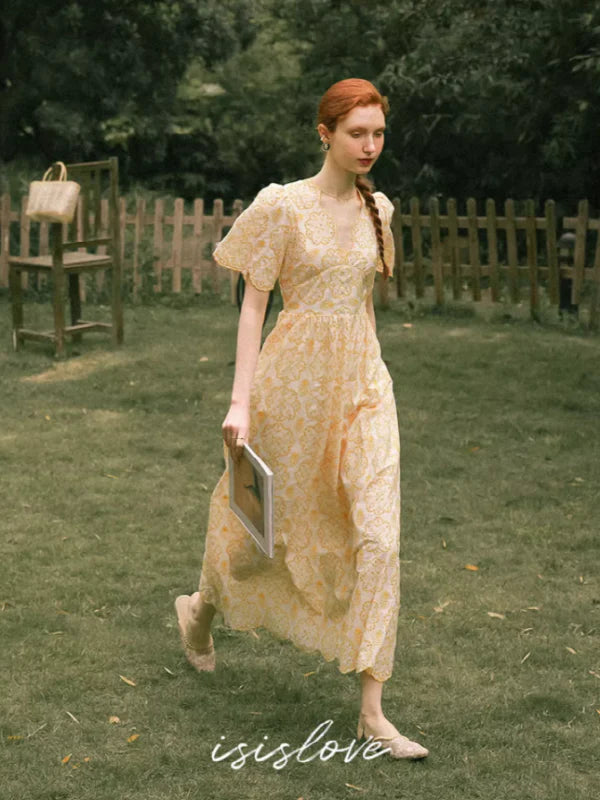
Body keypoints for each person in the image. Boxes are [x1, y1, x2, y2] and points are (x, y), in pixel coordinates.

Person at [175, 78, 429, 760]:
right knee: (254, 536)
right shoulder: (281, 206)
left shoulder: (381, 210)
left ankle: (372, 712)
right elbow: (254, 307)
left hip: (363, 390)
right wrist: (240, 401)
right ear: (326, 133)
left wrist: (370, 376)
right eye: (357, 133)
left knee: (378, 539)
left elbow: (363, 305)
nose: (370, 146)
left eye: (378, 133)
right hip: (289, 390)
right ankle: (198, 612)